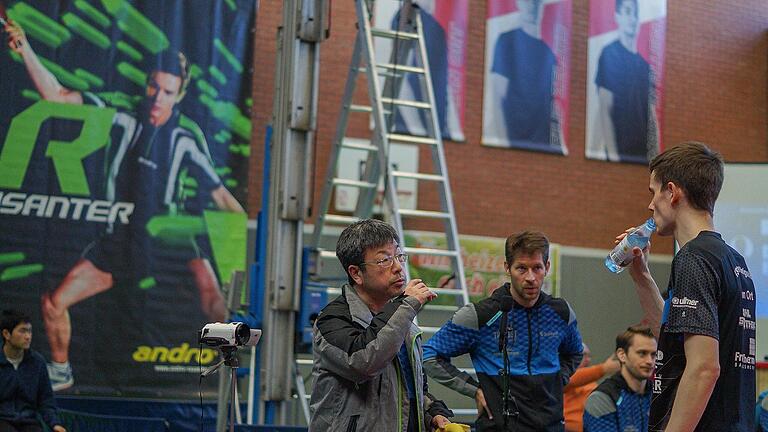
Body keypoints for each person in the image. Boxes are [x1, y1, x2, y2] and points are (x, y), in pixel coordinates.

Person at [5, 20, 245, 390]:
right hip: (120, 239)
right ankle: (60, 375)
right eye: (154, 86)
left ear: (179, 95)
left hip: (167, 237)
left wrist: (253, 246)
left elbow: (223, 200)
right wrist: (25, 51)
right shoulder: (120, 111)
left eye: (168, 91)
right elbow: (56, 96)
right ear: (146, 83)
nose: (157, 98)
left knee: (213, 299)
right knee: (53, 302)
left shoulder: (186, 137)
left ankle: (235, 373)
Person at [620, 141, 756, 430]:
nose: (650, 204)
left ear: (672, 192)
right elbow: (675, 340)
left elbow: (705, 368)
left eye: (653, 192)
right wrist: (641, 276)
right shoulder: (735, 261)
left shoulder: (693, 259)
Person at [423, 231, 583, 431]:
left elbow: (575, 352)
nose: (530, 278)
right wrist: (475, 390)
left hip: (550, 425)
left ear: (547, 267)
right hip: (498, 425)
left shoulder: (561, 312)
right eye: (521, 269)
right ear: (507, 268)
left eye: (537, 268)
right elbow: (428, 355)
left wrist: (560, 379)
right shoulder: (481, 314)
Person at [309, 219, 453, 431]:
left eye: (398, 256)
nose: (398, 267)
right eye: (384, 260)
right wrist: (407, 305)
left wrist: (433, 413)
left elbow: (411, 390)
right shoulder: (332, 321)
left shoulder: (404, 322)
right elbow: (364, 361)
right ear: (356, 273)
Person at [486, 0, 564, 152]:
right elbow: (497, 99)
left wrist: (558, 147)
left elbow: (551, 107)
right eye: (527, 1)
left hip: (543, 145)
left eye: (536, 2)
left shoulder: (549, 54)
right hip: (514, 140)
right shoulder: (506, 41)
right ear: (518, 4)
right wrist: (504, 144)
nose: (532, 6)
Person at [591, 0, 659, 163]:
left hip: (642, 155)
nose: (632, 18)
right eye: (628, 12)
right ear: (618, 17)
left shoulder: (646, 67)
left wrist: (657, 160)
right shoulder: (610, 54)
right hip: (620, 150)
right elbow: (604, 109)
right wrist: (614, 157)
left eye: (635, 13)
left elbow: (651, 116)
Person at [0, 310, 66, 432]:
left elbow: (46, 401)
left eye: (29, 331)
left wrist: (54, 424)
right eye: (22, 331)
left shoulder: (37, 362)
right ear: (6, 334)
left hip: (29, 422)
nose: (28, 336)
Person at [583, 326, 657, 431]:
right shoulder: (602, 398)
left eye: (653, 355)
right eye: (642, 353)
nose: (650, 361)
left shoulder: (659, 395)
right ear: (622, 355)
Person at [563, 343, 620, 432]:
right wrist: (604, 368)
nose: (588, 360)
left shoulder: (592, 385)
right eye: (583, 355)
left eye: (589, 356)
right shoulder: (562, 379)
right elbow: (571, 379)